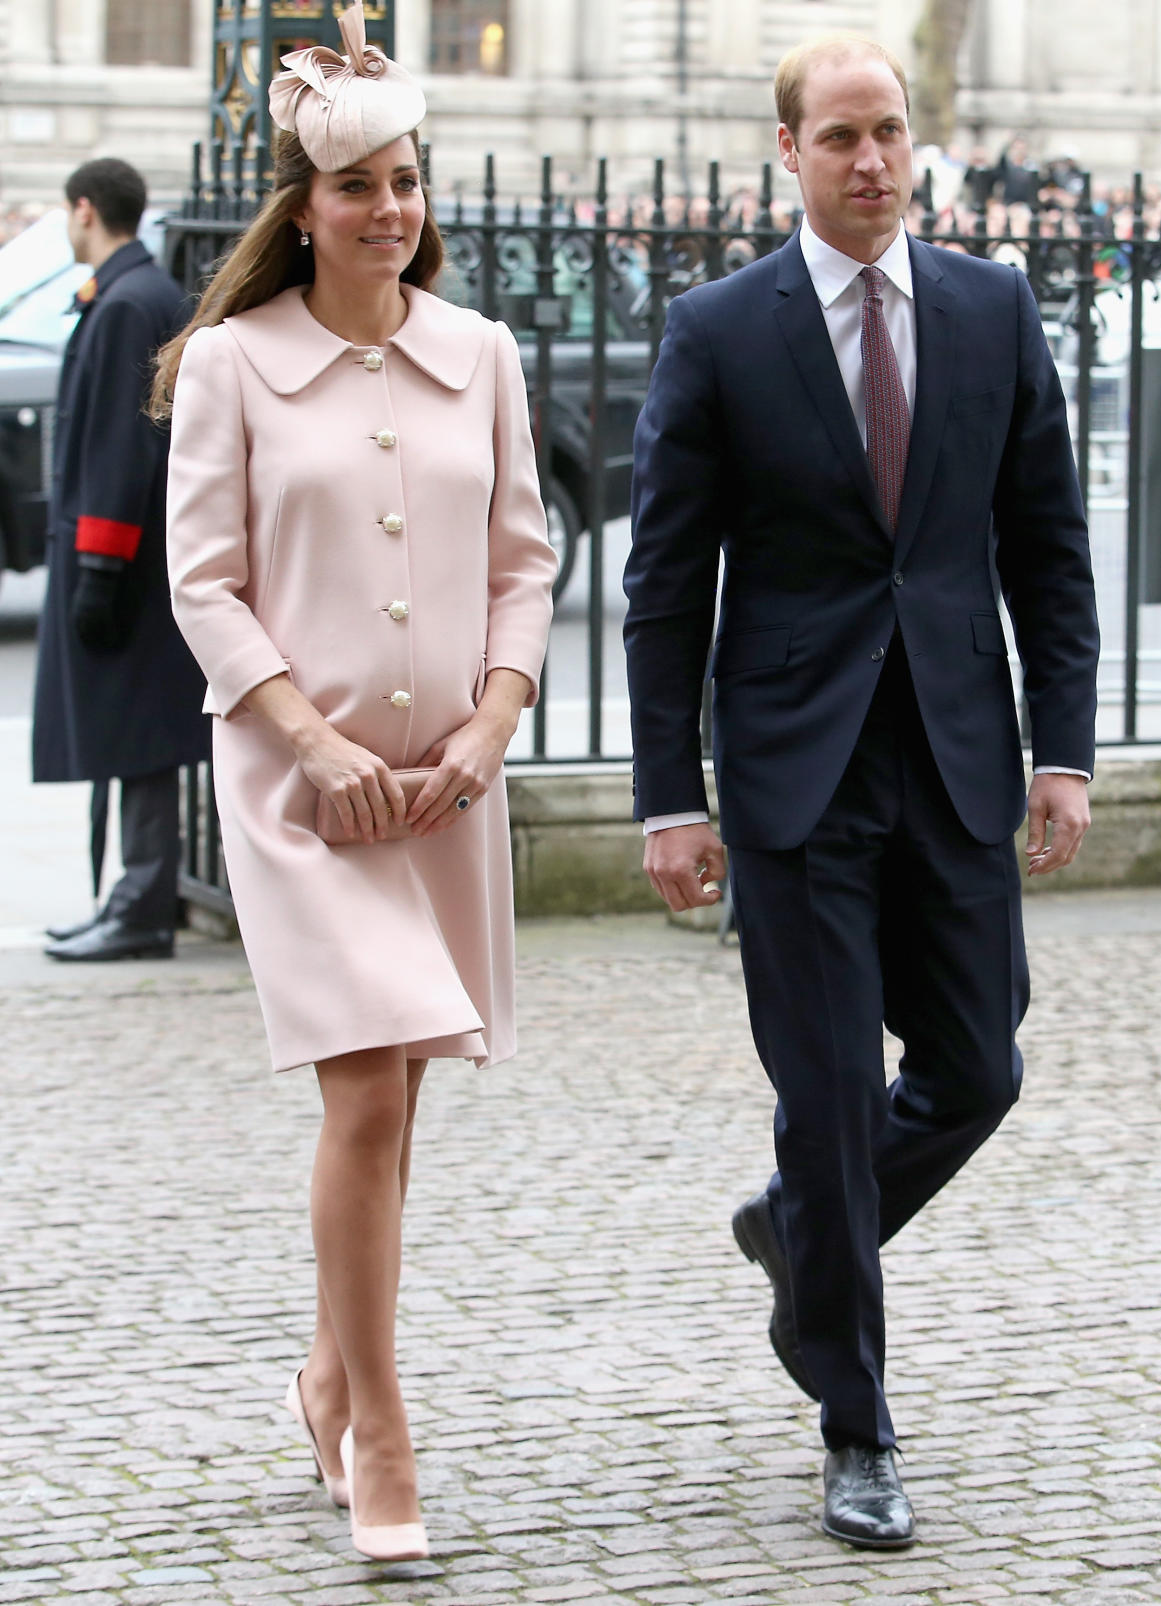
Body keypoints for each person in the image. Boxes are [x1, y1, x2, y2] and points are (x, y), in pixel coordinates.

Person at [623, 32, 1098, 1550]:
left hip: (954, 754)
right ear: (788, 152)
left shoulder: (990, 305)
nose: (873, 161)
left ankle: (795, 1234)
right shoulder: (717, 330)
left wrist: (1063, 750)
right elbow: (660, 587)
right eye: (839, 137)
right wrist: (666, 797)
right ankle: (855, 1422)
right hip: (790, 776)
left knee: (978, 1069)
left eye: (888, 132)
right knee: (825, 1102)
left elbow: (1046, 546)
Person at [156, 1, 556, 1563]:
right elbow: (204, 581)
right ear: (301, 212)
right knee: (369, 1087)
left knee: (399, 1100)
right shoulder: (234, 366)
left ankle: (329, 1365)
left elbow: (524, 560)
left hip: (444, 788)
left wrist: (491, 722)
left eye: (406, 182)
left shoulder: (485, 355)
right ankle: (381, 1430)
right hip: (298, 791)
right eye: (357, 189)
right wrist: (310, 740)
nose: (389, 211)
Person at [33, 157, 209, 962]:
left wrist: (99, 567)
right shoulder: (139, 293)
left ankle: (140, 904)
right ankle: (133, 896)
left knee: (137, 739)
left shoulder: (125, 303)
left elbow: (116, 448)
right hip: (139, 559)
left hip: (127, 564)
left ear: (84, 210)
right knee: (134, 736)